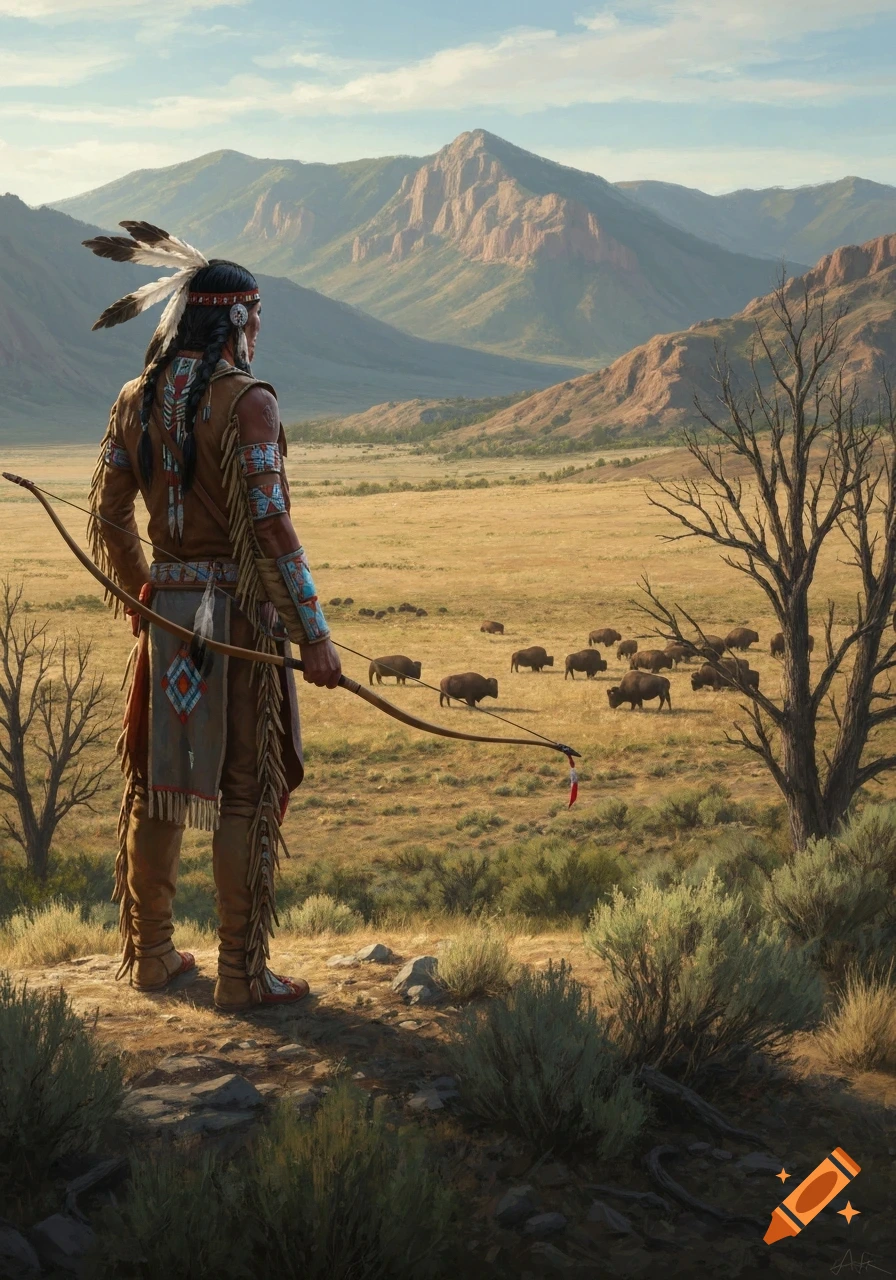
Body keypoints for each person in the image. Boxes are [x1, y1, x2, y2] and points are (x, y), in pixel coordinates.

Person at [84, 221, 341, 1011]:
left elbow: (108, 511)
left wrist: (142, 597)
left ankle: (152, 955)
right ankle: (240, 974)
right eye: (255, 318)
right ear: (234, 319)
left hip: (168, 622)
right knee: (246, 789)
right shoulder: (247, 404)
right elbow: (272, 530)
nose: (259, 332)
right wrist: (314, 636)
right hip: (239, 627)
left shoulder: (137, 399)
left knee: (155, 782)